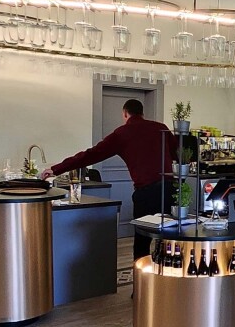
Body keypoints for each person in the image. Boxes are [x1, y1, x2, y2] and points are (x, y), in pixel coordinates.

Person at [42, 99, 176, 261]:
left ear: (125, 114)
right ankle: (170, 272)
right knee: (170, 238)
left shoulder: (122, 133)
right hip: (171, 189)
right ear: (142, 113)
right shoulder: (161, 128)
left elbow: (91, 154)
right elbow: (178, 152)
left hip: (146, 193)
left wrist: (56, 169)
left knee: (142, 241)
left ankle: (141, 275)